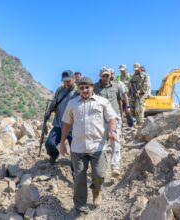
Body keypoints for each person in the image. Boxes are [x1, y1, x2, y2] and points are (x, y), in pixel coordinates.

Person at [60, 77, 118, 216]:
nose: (85, 90)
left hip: (98, 147)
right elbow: (67, 124)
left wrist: (111, 130)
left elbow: (112, 118)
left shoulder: (102, 102)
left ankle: (96, 190)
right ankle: (80, 209)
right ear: (78, 89)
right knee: (79, 179)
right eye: (81, 88)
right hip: (78, 148)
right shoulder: (72, 104)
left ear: (92, 87)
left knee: (99, 174)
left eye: (87, 87)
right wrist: (62, 143)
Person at [94, 68, 129, 177]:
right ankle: (100, 168)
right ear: (100, 76)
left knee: (115, 140)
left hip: (114, 117)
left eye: (107, 76)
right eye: (103, 76)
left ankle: (115, 166)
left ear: (110, 76)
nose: (105, 78)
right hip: (100, 118)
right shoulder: (94, 87)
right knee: (100, 142)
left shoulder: (116, 86)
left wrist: (125, 109)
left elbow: (122, 98)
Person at [44, 70, 78, 165]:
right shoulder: (60, 90)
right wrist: (48, 112)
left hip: (73, 127)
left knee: (75, 150)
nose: (66, 83)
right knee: (49, 144)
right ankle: (54, 155)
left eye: (68, 81)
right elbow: (54, 102)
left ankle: (75, 166)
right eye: (64, 81)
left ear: (73, 79)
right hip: (59, 125)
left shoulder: (78, 92)